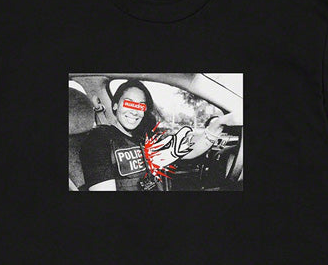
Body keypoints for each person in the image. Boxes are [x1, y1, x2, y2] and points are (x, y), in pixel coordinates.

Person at [80, 79, 231, 191]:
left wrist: (216, 126)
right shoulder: (98, 140)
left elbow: (190, 151)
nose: (134, 111)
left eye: (140, 105)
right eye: (129, 103)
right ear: (115, 106)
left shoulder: (144, 138)